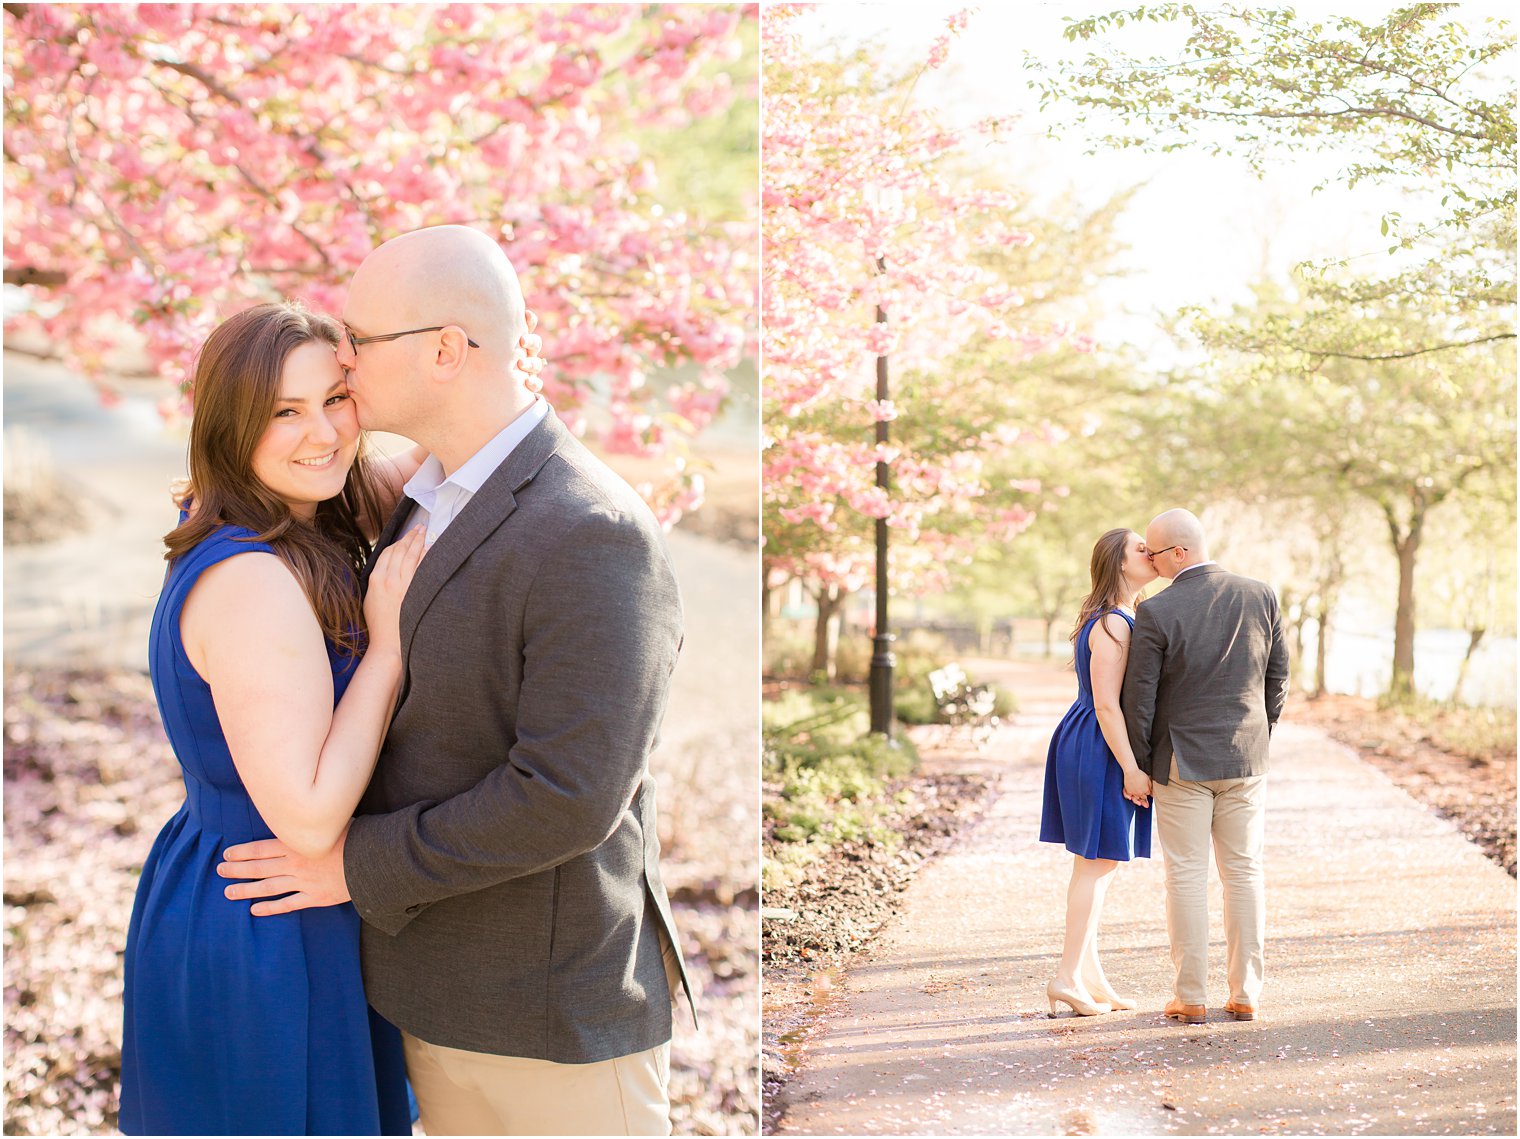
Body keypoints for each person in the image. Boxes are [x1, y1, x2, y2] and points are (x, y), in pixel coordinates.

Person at [218, 225, 692, 1136]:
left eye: (358, 341)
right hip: (425, 996)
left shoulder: (594, 533)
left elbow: (566, 795)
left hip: (550, 1021)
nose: (343, 362)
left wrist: (350, 864)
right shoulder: (419, 493)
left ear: (443, 349)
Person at [118, 301, 428, 1134]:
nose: (322, 432)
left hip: (255, 897)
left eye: (336, 397)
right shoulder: (252, 580)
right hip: (266, 914)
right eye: (282, 412)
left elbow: (444, 440)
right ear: (231, 425)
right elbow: (308, 811)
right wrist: (390, 650)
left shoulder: (290, 515)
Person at [1121, 508, 1289, 1025]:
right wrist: (1258, 735)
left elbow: (1139, 700)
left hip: (1180, 763)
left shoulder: (1156, 611)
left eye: (1153, 552)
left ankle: (1190, 996)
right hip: (1244, 758)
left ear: (1180, 552)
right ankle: (1246, 994)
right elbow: (1278, 678)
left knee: (1187, 877)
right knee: (1244, 874)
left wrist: (1142, 765)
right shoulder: (1260, 594)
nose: (1147, 560)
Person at [1039, 527, 1158, 1017]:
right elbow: (1108, 706)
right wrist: (1131, 768)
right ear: (1119, 562)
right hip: (1098, 745)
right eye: (1141, 549)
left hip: (1091, 740)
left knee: (1097, 865)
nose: (1150, 554)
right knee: (1096, 864)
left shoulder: (1118, 617)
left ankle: (1090, 976)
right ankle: (1066, 977)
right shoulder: (1115, 624)